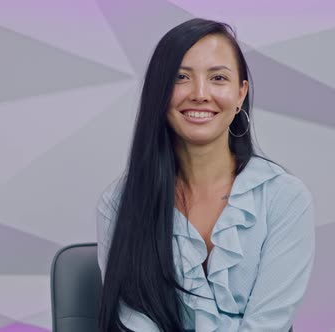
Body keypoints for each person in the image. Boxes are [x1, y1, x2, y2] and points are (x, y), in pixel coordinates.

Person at [96, 18, 315, 332]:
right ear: (159, 91)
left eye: (218, 78)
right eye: (181, 77)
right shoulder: (119, 203)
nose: (200, 93)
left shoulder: (284, 198)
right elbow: (135, 322)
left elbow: (268, 324)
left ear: (241, 95)